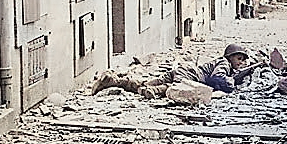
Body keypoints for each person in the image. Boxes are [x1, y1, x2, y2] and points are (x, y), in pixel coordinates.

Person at [91, 44, 251, 99]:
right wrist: (232, 83)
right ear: (229, 57)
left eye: (243, 60)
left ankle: (114, 81)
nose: (241, 62)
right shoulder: (224, 63)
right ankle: (150, 91)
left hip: (183, 69)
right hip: (192, 75)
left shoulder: (223, 62)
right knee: (172, 89)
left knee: (150, 80)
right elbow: (217, 79)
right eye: (239, 59)